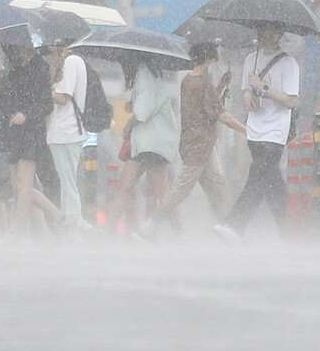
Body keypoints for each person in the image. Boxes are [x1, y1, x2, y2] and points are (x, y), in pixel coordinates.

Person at [139, 43, 246, 237]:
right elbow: (222, 115)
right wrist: (247, 130)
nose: (213, 64)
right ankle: (150, 225)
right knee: (181, 190)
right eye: (213, 60)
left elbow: (203, 103)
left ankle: (231, 227)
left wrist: (221, 85)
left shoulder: (188, 81)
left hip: (198, 144)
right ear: (207, 59)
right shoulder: (202, 84)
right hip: (200, 145)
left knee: (220, 189)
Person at [214, 23, 299, 241]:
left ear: (278, 33)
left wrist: (263, 88)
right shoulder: (251, 59)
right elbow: (244, 91)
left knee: (258, 178)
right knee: (271, 183)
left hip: (275, 132)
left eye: (268, 32)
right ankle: (289, 231)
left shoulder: (289, 64)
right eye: (260, 32)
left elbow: (290, 101)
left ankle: (235, 224)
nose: (262, 37)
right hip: (255, 130)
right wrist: (248, 96)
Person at [0, 41, 72, 237]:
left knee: (24, 185)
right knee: (18, 187)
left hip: (32, 132)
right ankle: (59, 217)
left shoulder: (38, 68)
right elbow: (8, 99)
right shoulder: (13, 69)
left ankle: (17, 232)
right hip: (15, 132)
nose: (19, 51)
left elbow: (46, 104)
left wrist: (26, 114)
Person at [103, 52, 177, 237]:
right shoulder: (148, 74)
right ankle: (107, 231)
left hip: (151, 143)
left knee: (160, 191)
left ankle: (180, 233)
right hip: (144, 144)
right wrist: (133, 104)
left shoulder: (144, 74)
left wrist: (128, 124)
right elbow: (147, 103)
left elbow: (143, 112)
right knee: (125, 186)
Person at [46, 41, 88, 218]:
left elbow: (63, 97)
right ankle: (73, 222)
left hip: (65, 131)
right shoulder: (75, 61)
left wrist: (41, 90)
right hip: (67, 132)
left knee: (67, 183)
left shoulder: (71, 62)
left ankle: (74, 223)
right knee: (67, 181)